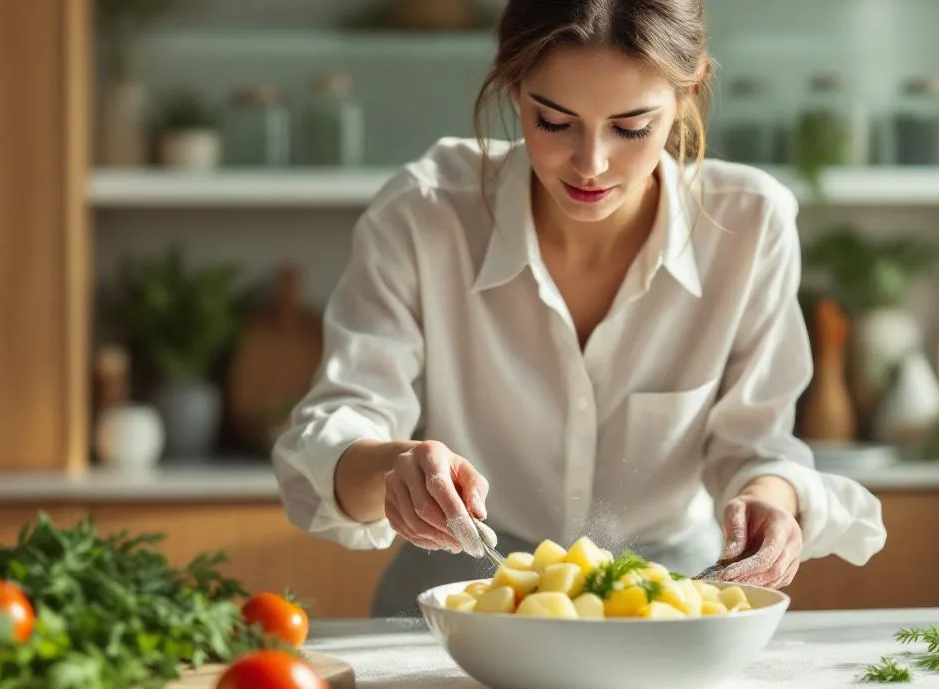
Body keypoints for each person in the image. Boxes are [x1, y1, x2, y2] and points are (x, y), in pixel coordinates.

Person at [272, 0, 887, 618]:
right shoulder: (424, 213)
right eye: (554, 122)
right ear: (514, 88)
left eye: (631, 127)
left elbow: (756, 444)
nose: (591, 164)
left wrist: (770, 500)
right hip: (460, 603)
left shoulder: (750, 224)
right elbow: (339, 425)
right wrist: (395, 468)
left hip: (662, 607)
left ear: (689, 89)